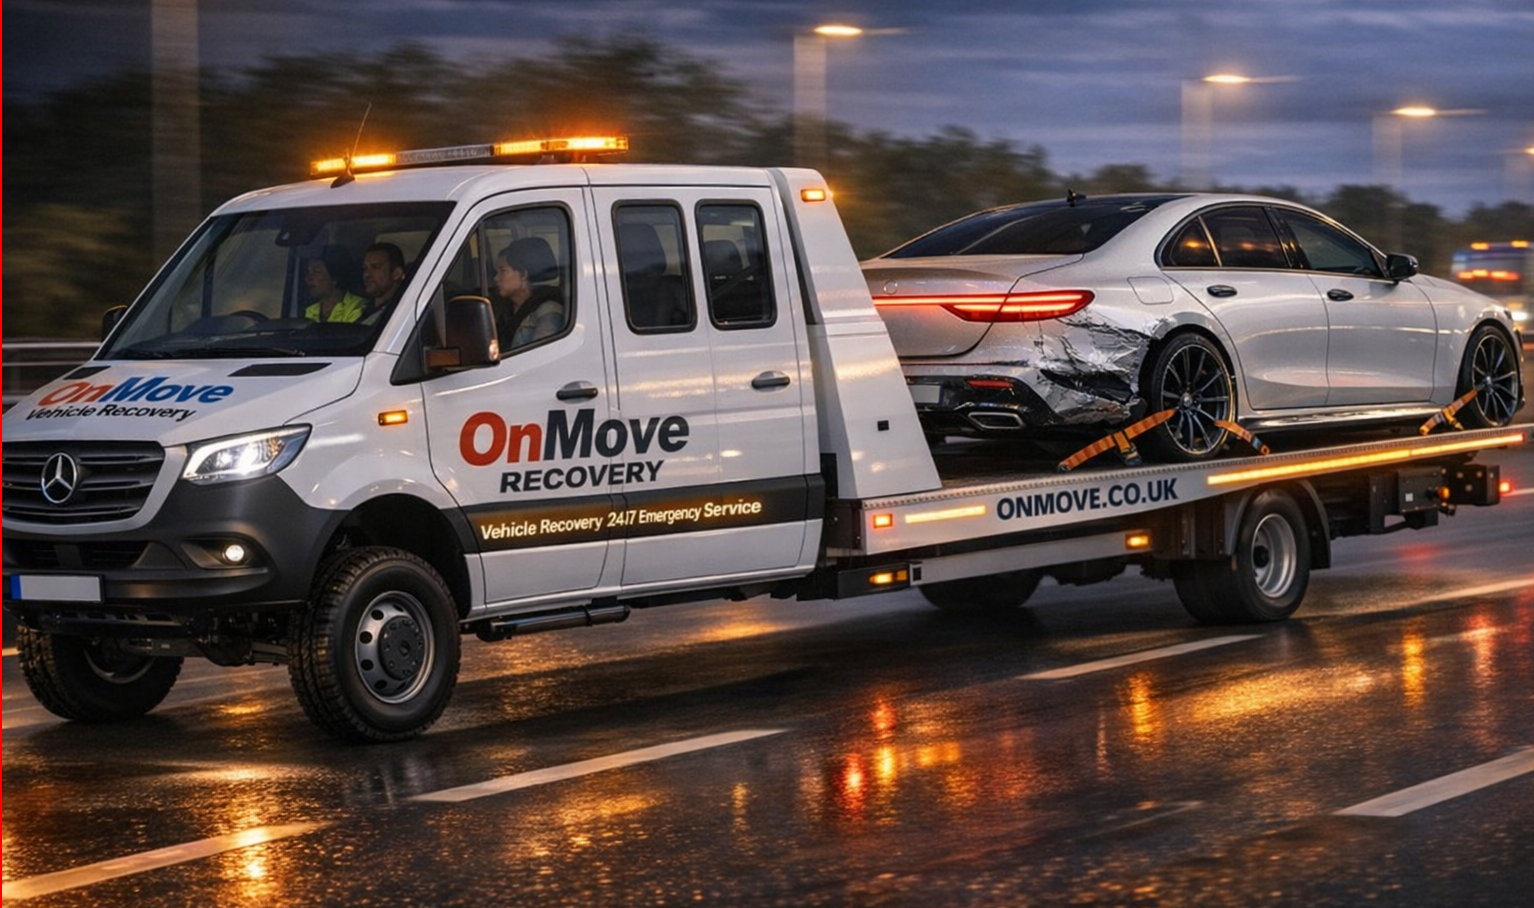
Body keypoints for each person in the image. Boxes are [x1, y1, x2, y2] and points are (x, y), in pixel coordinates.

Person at [493, 237, 566, 348]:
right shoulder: (503, 308)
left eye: (503, 271)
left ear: (523, 275)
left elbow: (541, 356)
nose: (496, 278)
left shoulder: (548, 311)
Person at [303, 246, 368, 323]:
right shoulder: (310, 311)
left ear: (335, 277)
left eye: (316, 272)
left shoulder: (358, 307)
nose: (308, 278)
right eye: (308, 272)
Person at [360, 241, 408, 316]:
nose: (367, 274)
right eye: (365, 268)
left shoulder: (402, 312)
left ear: (396, 273)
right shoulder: (363, 309)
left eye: (375, 267)